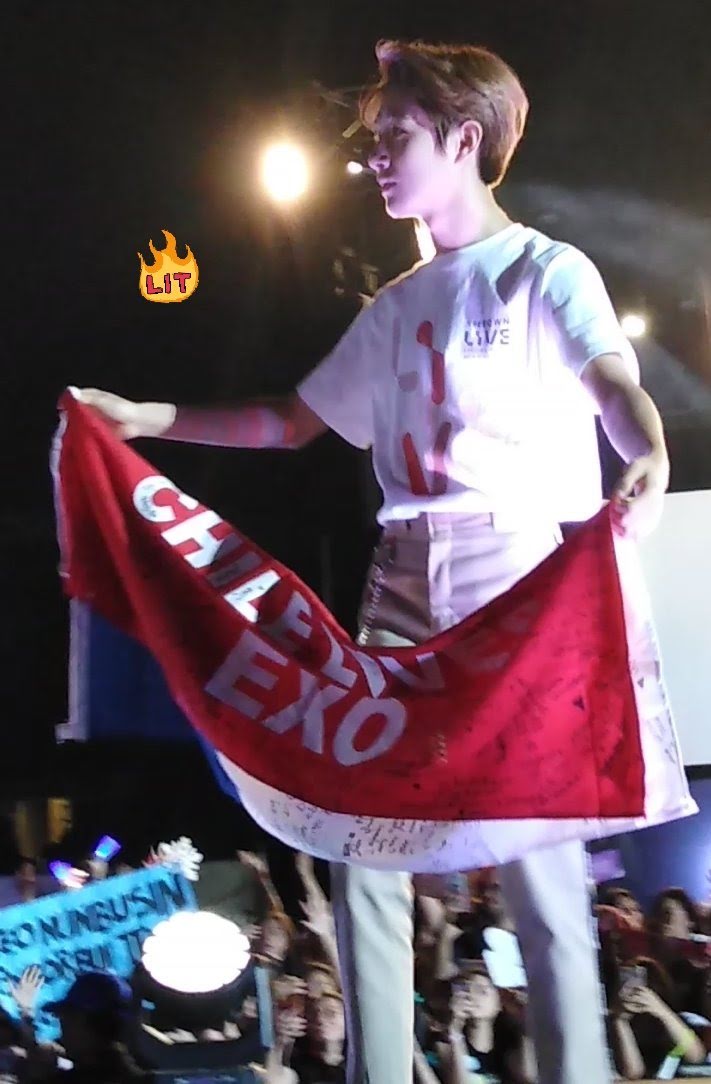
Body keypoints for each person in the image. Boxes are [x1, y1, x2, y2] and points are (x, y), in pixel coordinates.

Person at [78, 36, 672, 1084]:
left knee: (539, 866)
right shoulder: (391, 306)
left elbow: (612, 383)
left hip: (518, 581)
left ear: (464, 137)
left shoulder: (543, 271)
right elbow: (291, 420)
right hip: (400, 583)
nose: (377, 156)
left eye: (397, 134)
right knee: (361, 842)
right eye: (375, 138)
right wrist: (147, 418)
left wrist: (648, 452)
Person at [22, 970, 151, 1082]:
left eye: (66, 1016)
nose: (61, 1026)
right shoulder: (140, 1077)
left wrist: (37, 1075)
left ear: (80, 1019)